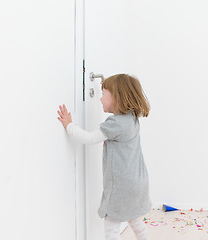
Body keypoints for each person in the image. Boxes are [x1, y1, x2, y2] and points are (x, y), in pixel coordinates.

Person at [57, 73, 152, 240]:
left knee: (111, 224)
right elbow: (118, 94)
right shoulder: (132, 118)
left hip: (121, 186)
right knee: (134, 218)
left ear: (117, 97)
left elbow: (89, 138)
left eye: (103, 94)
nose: (100, 99)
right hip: (138, 182)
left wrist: (69, 125)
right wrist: (108, 86)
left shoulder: (115, 124)